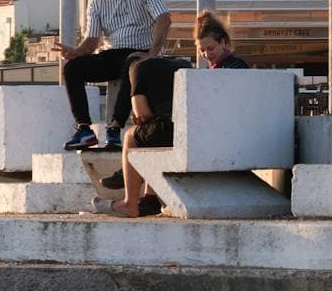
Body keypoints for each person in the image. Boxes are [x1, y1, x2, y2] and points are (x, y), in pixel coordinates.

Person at [102, 11, 249, 218]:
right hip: (213, 132)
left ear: (224, 43)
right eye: (202, 50)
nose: (207, 54)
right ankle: (149, 196)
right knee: (154, 130)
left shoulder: (229, 68)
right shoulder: (225, 67)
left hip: (206, 135)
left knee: (131, 136)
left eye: (211, 48)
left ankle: (130, 202)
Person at [56, 0, 171, 151]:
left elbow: (164, 19)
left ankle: (115, 128)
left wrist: (152, 53)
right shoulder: (98, 0)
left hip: (140, 51)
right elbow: (92, 40)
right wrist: (76, 52)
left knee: (131, 64)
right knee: (72, 69)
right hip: (112, 53)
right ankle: (84, 129)